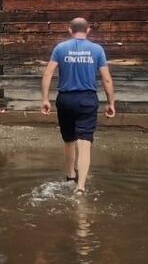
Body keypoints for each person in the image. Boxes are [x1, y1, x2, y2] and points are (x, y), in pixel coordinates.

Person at [40, 17, 115, 195]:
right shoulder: (97, 50)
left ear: (70, 30)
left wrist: (44, 99)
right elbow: (106, 79)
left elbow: (47, 74)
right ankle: (80, 187)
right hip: (87, 100)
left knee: (68, 140)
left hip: (65, 99)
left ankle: (69, 176)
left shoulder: (60, 48)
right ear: (88, 30)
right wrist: (111, 102)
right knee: (84, 143)